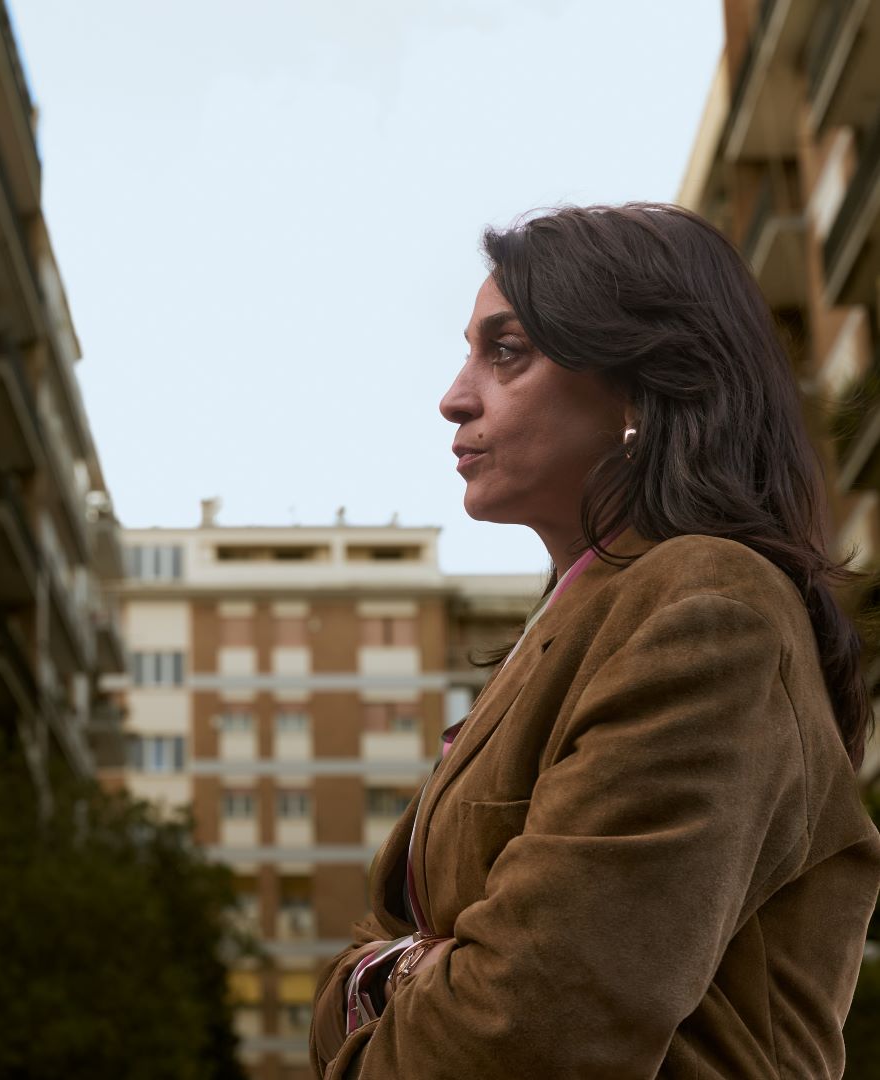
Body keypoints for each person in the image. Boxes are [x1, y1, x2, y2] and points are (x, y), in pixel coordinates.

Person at [310, 203, 880, 1078]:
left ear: (640, 386)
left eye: (506, 351)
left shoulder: (707, 607)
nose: (454, 396)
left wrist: (395, 981)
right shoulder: (579, 621)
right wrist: (409, 970)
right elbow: (360, 969)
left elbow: (531, 1028)